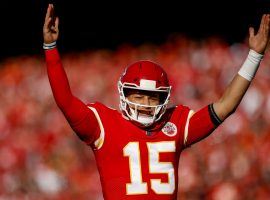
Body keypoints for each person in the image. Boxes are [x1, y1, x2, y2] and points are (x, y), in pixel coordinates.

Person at [43, 4, 270, 200]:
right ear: (124, 95)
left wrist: (254, 56)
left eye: (152, 97)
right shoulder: (103, 124)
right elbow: (65, 101)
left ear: (164, 98)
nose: (144, 103)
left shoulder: (175, 123)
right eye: (138, 95)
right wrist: (51, 49)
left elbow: (226, 106)